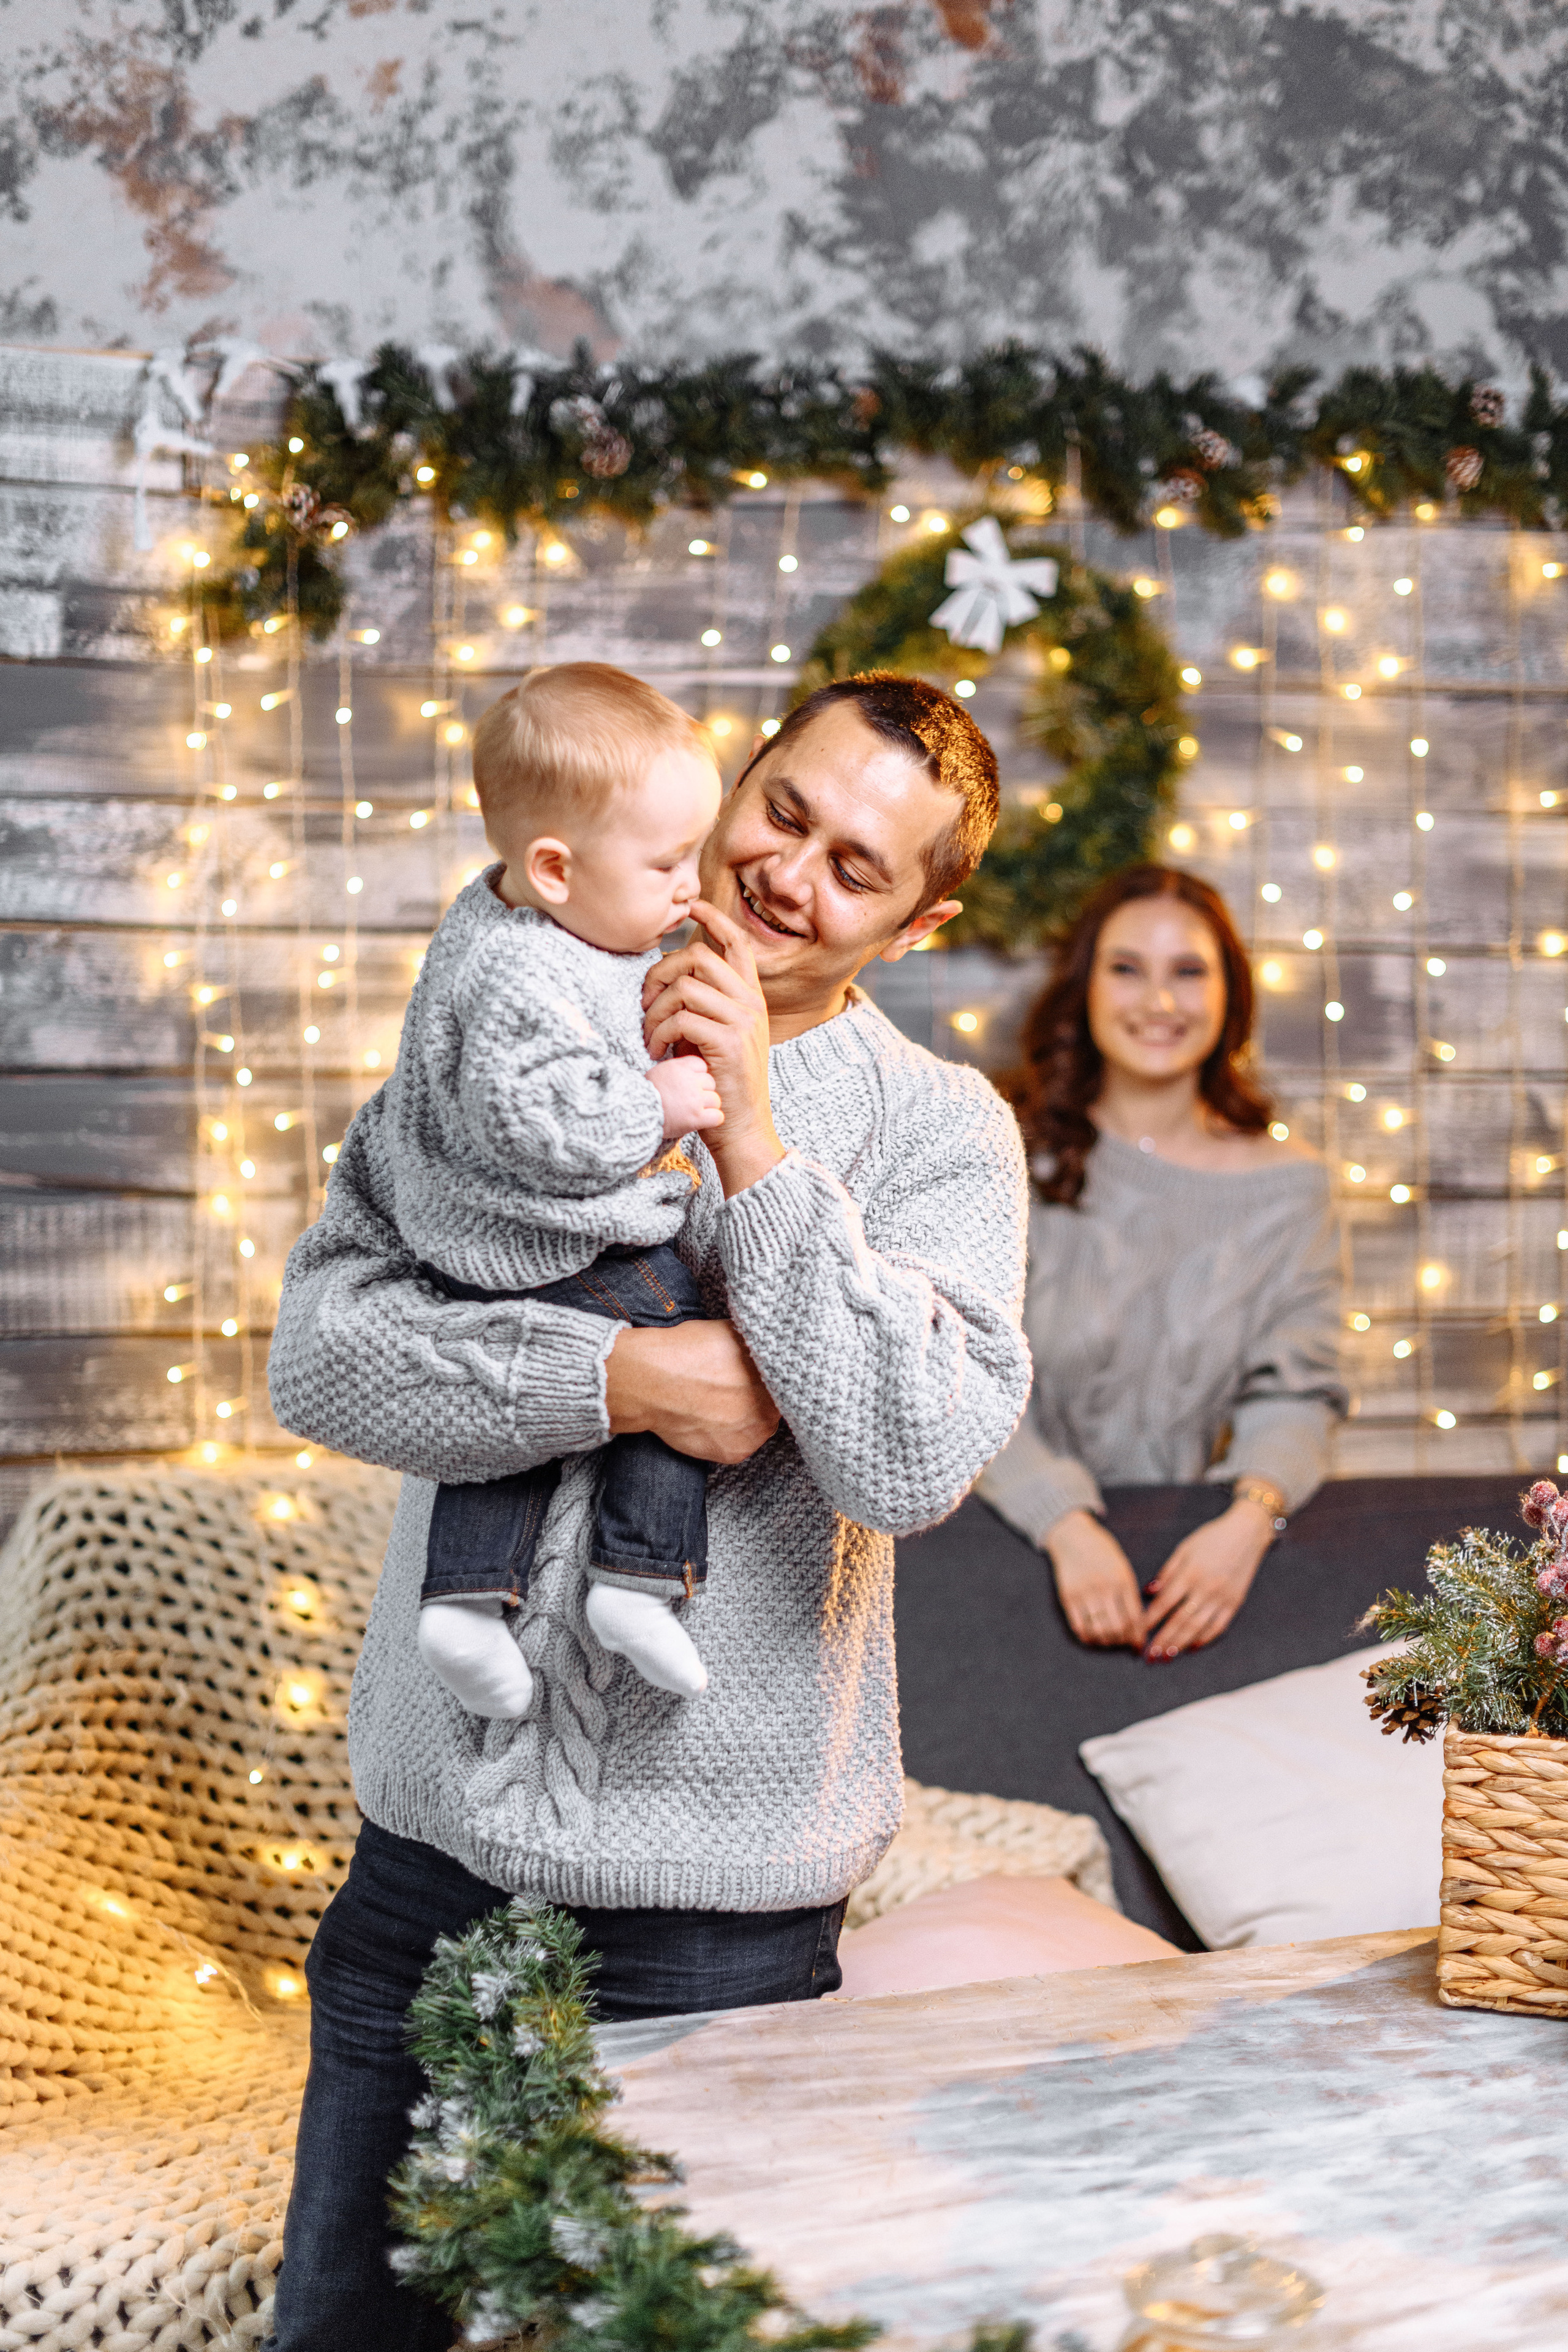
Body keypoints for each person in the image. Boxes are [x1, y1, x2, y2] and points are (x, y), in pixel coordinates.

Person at [263, 669, 1031, 2352]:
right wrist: (621, 1384)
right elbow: (319, 1354)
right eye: (785, 812)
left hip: (715, 1920)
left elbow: (909, 1457)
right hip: (422, 1876)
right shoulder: (512, 1013)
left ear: (917, 923)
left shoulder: (942, 1135)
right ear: (734, 775)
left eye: (857, 868)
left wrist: (753, 1138)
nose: (788, 875)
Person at [396, 663, 728, 1718]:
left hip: (496, 1246)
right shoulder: (518, 976)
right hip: (547, 1237)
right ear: (554, 868)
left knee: (516, 1416)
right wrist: (660, 1103)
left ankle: (461, 1600)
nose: (694, 885)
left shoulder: (541, 925)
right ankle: (638, 1577)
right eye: (670, 862)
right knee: (688, 1334)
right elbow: (543, 1124)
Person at [978, 863, 1346, 1660]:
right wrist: (1064, 1524)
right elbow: (958, 1374)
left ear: (1231, 996)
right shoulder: (1002, 1151)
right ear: (1084, 987)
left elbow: (1302, 1391)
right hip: (1000, 1554)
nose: (1160, 1002)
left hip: (1195, 1575)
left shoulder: (1292, 1189)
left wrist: (1251, 1523)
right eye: (1127, 970)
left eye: (1188, 972)